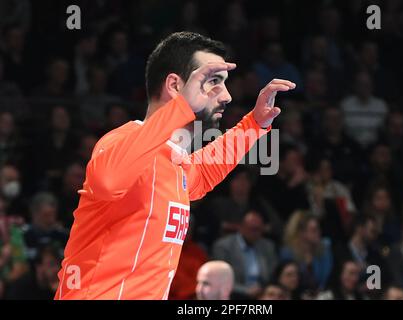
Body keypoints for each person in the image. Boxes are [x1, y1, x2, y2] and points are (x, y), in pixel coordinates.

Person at [54, 31, 295, 300]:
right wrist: (181, 107)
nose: (226, 95)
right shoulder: (119, 141)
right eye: (213, 81)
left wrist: (254, 124)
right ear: (175, 86)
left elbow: (204, 172)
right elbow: (110, 181)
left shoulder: (174, 161)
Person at [212, 210, 278, 299]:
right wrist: (245, 290)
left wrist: (263, 289)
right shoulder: (224, 246)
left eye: (259, 229)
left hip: (262, 293)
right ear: (241, 227)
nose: (256, 233)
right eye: (252, 229)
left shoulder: (268, 246)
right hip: (235, 294)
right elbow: (221, 279)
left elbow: (273, 274)